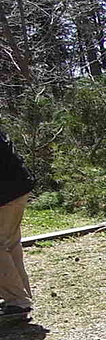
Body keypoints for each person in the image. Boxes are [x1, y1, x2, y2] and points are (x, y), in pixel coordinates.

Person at [0, 129, 35, 323]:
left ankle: (17, 301)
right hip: (18, 187)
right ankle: (21, 298)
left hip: (6, 194)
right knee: (10, 244)